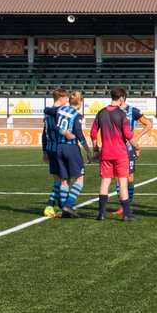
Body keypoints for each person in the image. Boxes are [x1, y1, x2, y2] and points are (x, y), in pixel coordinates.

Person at [89, 86, 136, 221]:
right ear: (121, 98)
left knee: (105, 182)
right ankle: (127, 214)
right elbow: (128, 134)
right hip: (120, 153)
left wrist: (96, 147)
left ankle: (101, 213)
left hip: (106, 152)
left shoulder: (101, 112)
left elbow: (93, 132)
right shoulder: (122, 113)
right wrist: (136, 146)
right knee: (122, 183)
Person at [109, 95, 153, 217]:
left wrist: (136, 138)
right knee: (118, 177)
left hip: (128, 149)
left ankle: (128, 205)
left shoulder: (133, 110)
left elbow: (148, 124)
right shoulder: (111, 111)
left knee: (129, 178)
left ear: (122, 98)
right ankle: (123, 206)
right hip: (115, 148)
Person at [56, 90, 94, 218]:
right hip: (71, 148)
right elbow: (79, 134)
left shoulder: (60, 111)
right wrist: (88, 151)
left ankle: (64, 208)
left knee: (64, 180)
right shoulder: (76, 115)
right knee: (80, 178)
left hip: (59, 147)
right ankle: (68, 204)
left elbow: (54, 126)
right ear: (79, 102)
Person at [41, 88, 68, 217]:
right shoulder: (59, 112)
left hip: (51, 149)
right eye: (66, 98)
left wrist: (44, 151)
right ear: (61, 98)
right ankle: (50, 205)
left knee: (59, 178)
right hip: (58, 148)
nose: (67, 101)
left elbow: (44, 133)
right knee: (62, 179)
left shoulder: (48, 112)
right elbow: (51, 129)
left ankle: (61, 205)